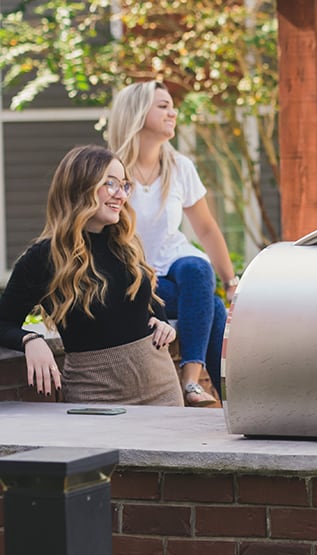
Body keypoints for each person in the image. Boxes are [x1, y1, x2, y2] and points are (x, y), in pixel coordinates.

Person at [0, 145, 183, 406]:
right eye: (110, 183)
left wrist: (161, 321)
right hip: (94, 396)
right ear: (81, 186)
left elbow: (146, 299)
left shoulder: (126, 244)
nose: (121, 195)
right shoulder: (44, 258)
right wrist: (31, 340)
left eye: (124, 185)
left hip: (162, 388)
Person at [107, 80, 237, 407]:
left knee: (196, 267)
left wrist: (231, 282)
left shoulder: (179, 167)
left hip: (175, 266)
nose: (173, 112)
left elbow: (206, 229)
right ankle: (232, 403)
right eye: (162, 106)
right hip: (135, 278)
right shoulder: (110, 170)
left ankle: (191, 380)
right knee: (212, 306)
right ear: (137, 113)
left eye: (171, 105)